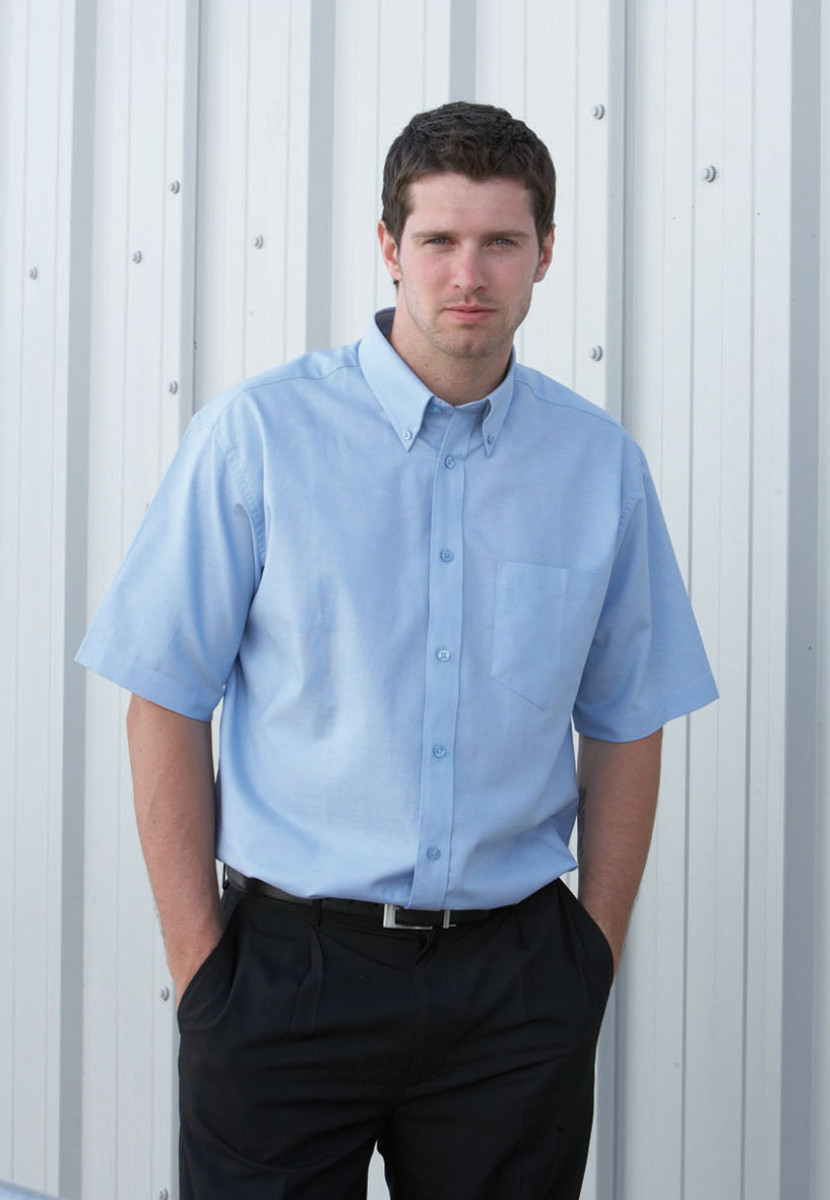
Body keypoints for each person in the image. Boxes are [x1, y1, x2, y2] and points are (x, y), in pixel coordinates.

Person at [78, 102, 717, 1199]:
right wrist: (204, 974)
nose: (468, 273)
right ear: (388, 246)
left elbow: (628, 718)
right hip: (288, 980)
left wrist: (589, 957)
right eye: (439, 239)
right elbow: (164, 698)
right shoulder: (257, 439)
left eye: (501, 240)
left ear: (544, 254)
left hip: (515, 992)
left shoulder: (597, 467)